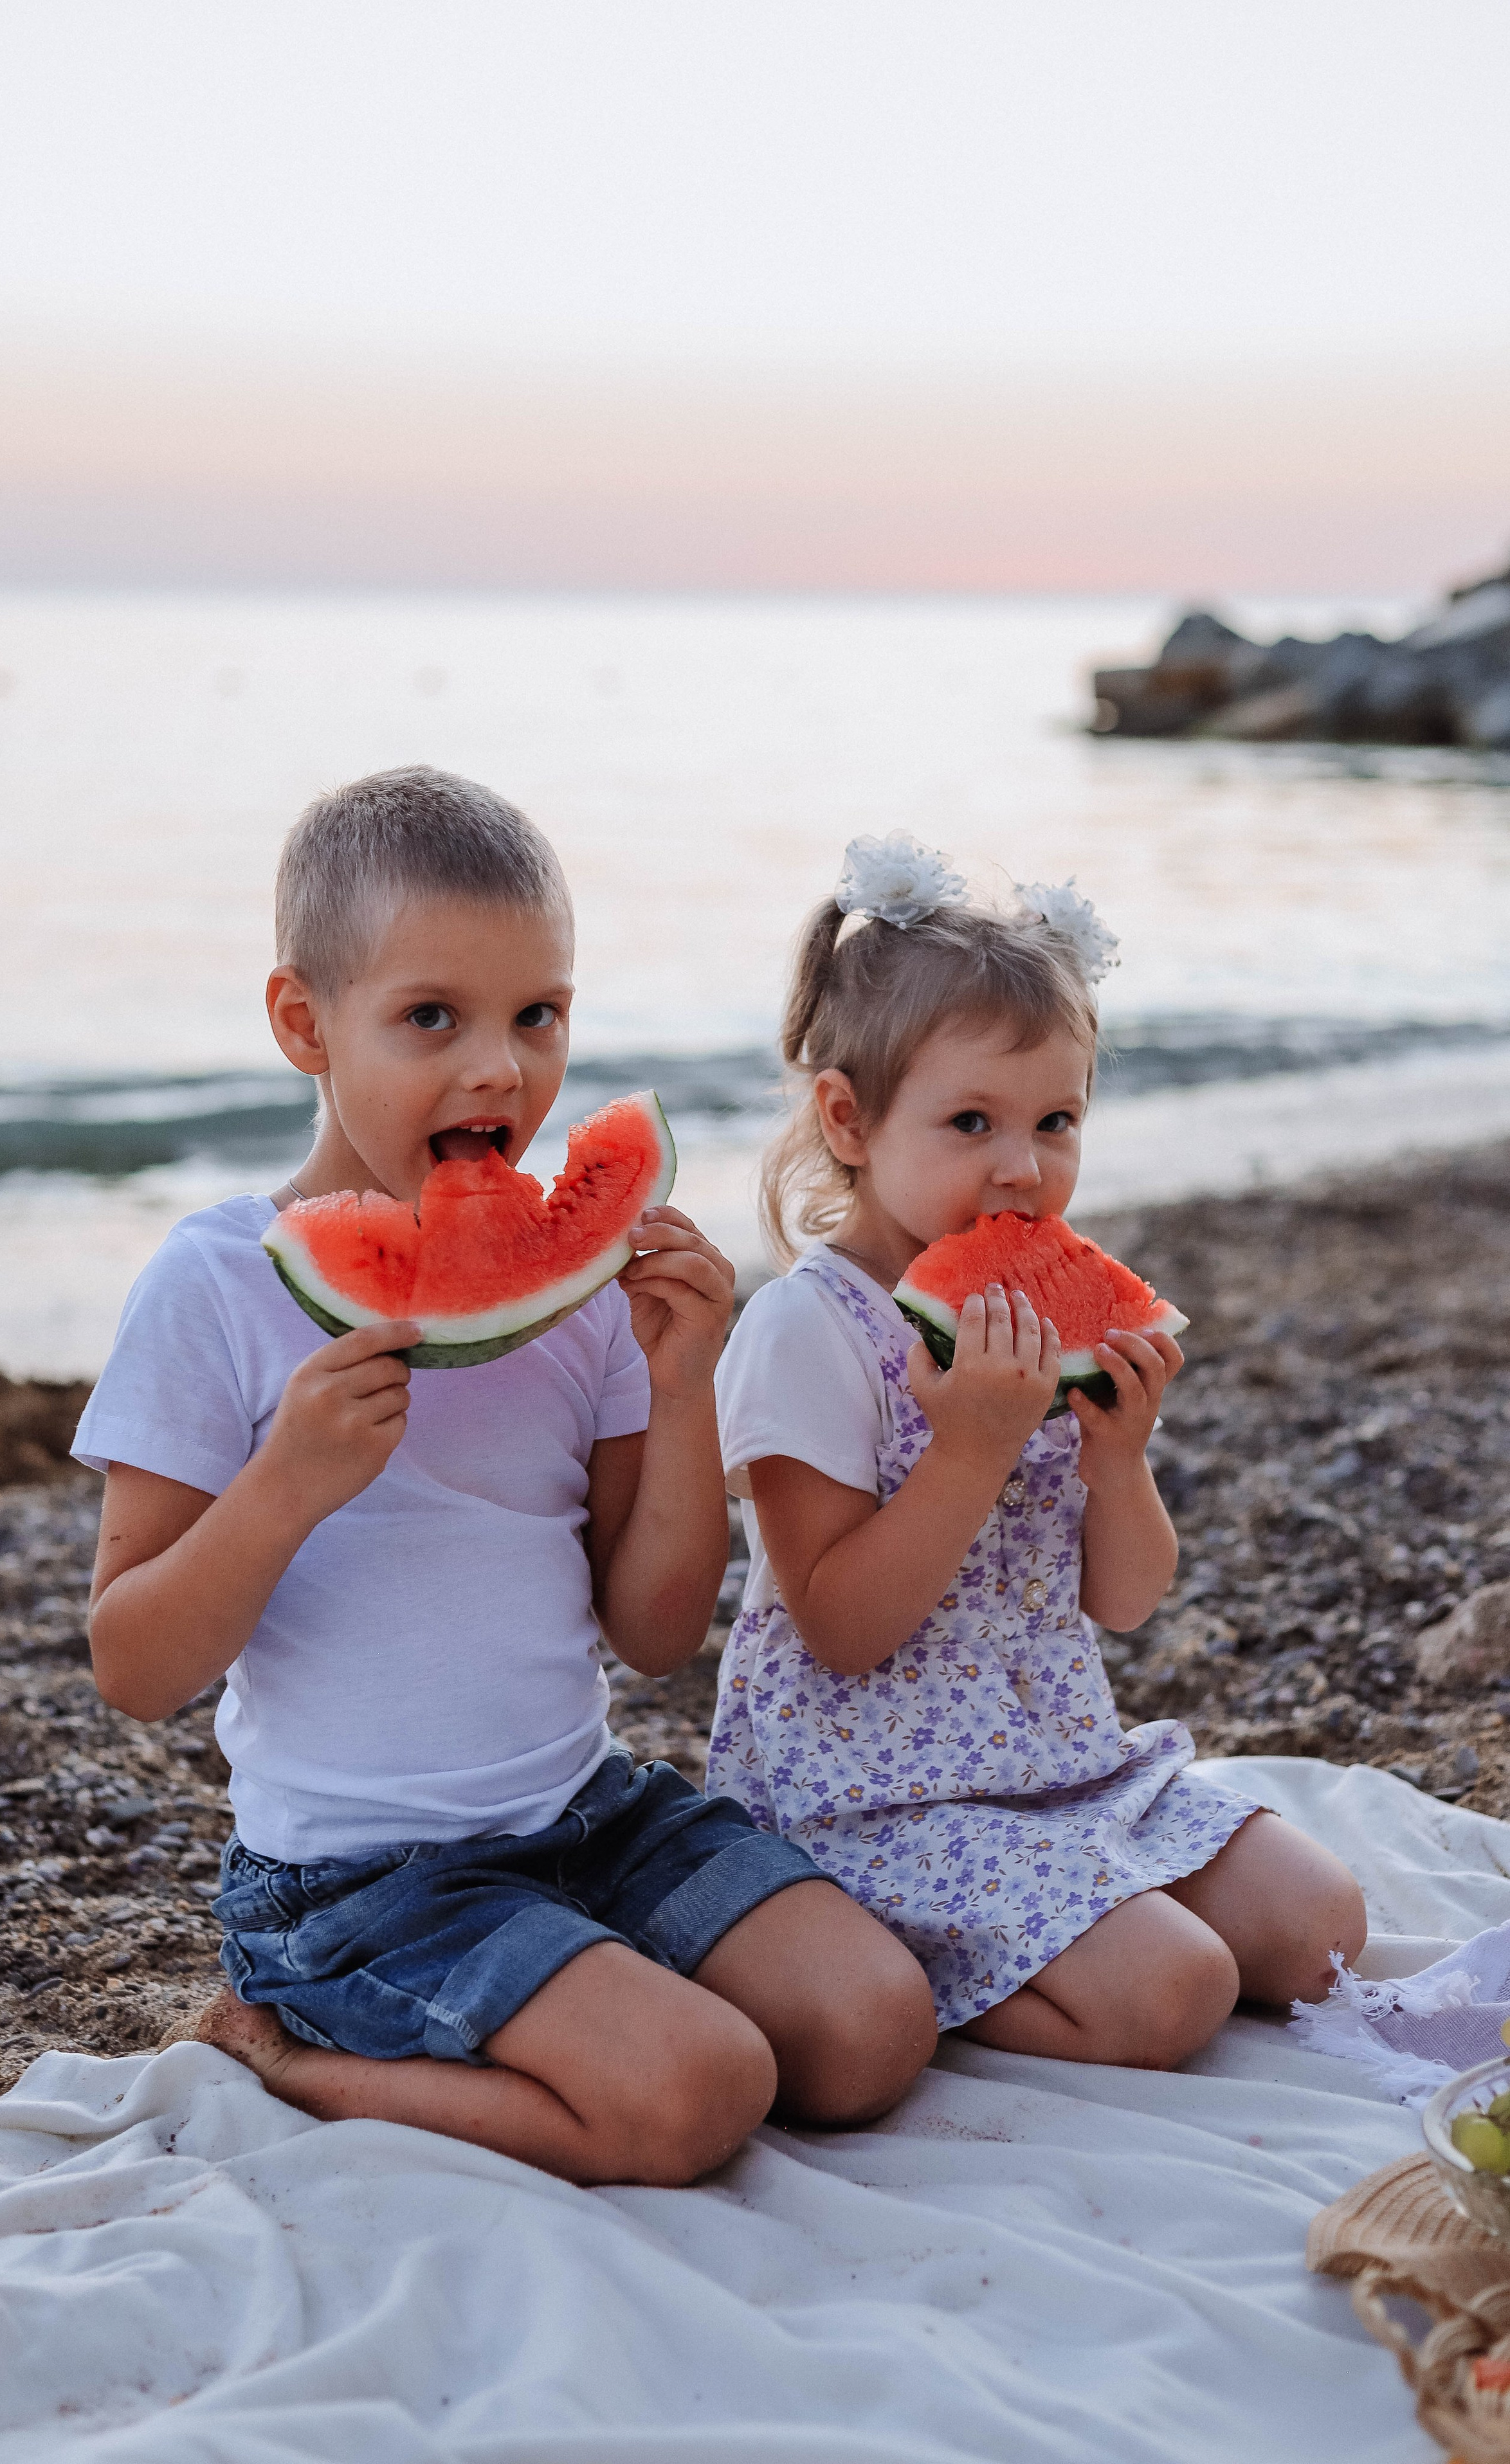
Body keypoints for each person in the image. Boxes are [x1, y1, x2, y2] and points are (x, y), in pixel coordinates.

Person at [73, 769, 936, 2188]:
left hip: (584, 1812)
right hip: (360, 1883)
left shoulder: (591, 1292)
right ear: (303, 1023)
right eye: (432, 1019)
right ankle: (281, 2047)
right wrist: (285, 1483)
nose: (499, 1070)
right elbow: (130, 1664)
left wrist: (677, 1384)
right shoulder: (214, 1288)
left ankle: (572, 1994)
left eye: (538, 1015)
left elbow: (653, 1632)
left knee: (870, 2030)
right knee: (698, 2096)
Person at [706, 833, 1367, 2069]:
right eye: (971, 1122)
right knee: (1174, 1994)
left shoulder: (1036, 1324)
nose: (1024, 1169)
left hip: (1064, 1766)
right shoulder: (806, 1331)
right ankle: (932, 1963)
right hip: (873, 1802)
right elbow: (842, 1628)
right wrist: (966, 1455)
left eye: (1056, 1121)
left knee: (1320, 1928)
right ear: (848, 1119)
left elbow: (1124, 1602)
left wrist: (1120, 1463)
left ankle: (1074, 1924)